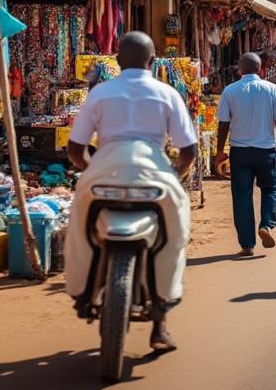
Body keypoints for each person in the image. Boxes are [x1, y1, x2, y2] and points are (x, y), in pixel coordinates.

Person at [65, 33, 196, 351]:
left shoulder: (99, 93)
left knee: (78, 226)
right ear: (152, 61)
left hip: (101, 176)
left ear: (118, 61)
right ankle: (161, 320)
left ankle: (82, 290)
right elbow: (188, 150)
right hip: (155, 178)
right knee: (176, 235)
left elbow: (75, 148)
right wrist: (174, 176)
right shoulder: (167, 93)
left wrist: (92, 170)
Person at [217, 52, 276, 256]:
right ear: (260, 69)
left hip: (239, 153)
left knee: (241, 196)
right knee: (271, 188)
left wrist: (219, 152)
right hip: (266, 151)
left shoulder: (230, 90)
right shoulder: (271, 89)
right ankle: (266, 225)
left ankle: (247, 244)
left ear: (239, 70)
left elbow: (223, 124)